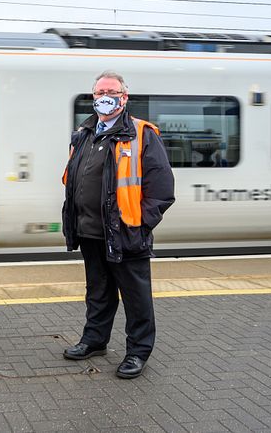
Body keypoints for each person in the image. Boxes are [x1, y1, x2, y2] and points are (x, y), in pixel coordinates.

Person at [61, 71, 175, 379]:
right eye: (99, 92)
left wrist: (139, 225)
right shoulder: (84, 133)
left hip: (125, 233)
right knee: (98, 291)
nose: (104, 96)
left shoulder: (141, 134)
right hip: (90, 231)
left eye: (111, 91)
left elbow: (162, 190)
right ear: (93, 97)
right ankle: (95, 340)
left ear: (124, 97)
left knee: (136, 296)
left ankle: (138, 352)